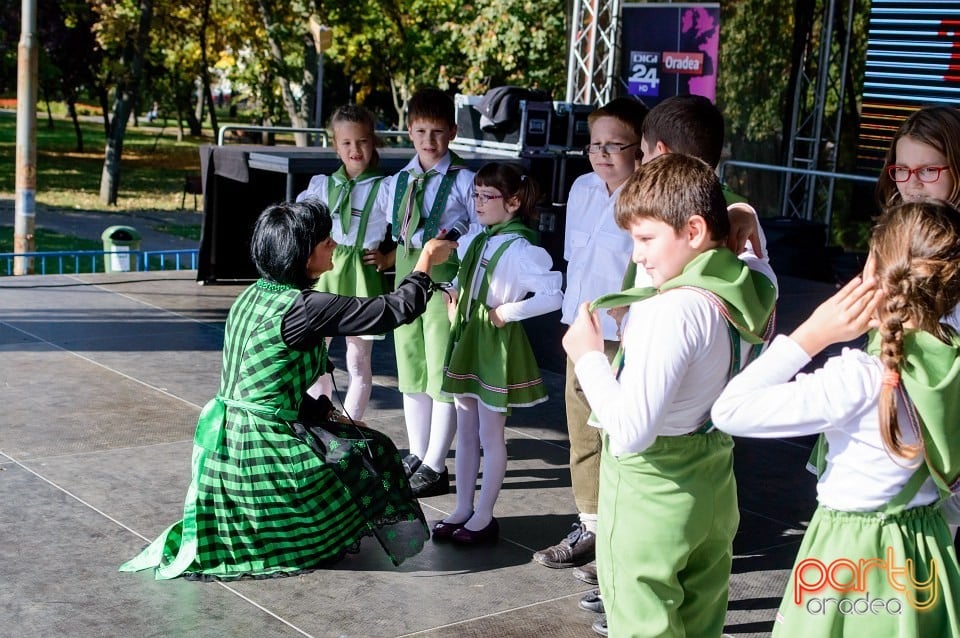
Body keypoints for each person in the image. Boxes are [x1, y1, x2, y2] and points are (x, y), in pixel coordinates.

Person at [119, 200, 455, 580]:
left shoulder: (253, 294)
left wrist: (315, 409)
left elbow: (259, 382)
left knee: (349, 439)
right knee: (370, 451)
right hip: (259, 445)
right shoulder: (305, 307)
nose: (334, 246)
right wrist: (426, 258)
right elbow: (392, 310)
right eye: (326, 241)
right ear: (303, 255)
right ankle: (315, 535)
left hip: (222, 441)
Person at [711, 200, 960, 637]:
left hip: (851, 554)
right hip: (925, 549)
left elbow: (730, 411)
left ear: (875, 275)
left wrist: (811, 334)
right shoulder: (951, 360)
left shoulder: (860, 376)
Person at [562, 153, 777, 637]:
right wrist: (744, 214)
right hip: (715, 482)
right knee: (702, 621)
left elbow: (633, 432)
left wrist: (588, 356)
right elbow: (753, 252)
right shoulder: (754, 281)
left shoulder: (672, 312)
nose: (636, 256)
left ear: (695, 230)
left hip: (652, 491)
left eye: (644, 239)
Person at [533, 97, 649, 573]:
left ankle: (626, 534)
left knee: (623, 434)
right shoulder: (581, 188)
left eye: (613, 145)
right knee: (582, 431)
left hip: (626, 334)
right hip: (582, 329)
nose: (602, 154)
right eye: (594, 145)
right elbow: (575, 257)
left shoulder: (648, 195)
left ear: (639, 148)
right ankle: (591, 526)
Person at [431, 163, 563, 544]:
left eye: (487, 196)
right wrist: (450, 292)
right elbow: (463, 278)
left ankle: (485, 514)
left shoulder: (523, 248)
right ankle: (462, 506)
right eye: (475, 195)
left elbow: (553, 295)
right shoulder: (477, 239)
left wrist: (507, 312)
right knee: (466, 429)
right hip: (468, 335)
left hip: (493, 341)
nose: (478, 203)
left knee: (491, 434)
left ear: (513, 202)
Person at [375, 88, 477, 498]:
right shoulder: (398, 181)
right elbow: (387, 227)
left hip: (443, 285)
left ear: (452, 131)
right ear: (409, 131)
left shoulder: (465, 180)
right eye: (420, 131)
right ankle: (417, 454)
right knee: (411, 370)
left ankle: (436, 463)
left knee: (440, 373)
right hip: (405, 283)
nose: (429, 141)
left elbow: (480, 226)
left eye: (437, 132)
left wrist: (455, 240)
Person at [296, 104, 390, 420]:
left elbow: (409, 229)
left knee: (358, 358)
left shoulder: (386, 187)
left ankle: (350, 426)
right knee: (317, 353)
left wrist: (388, 257)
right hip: (328, 273)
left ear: (373, 142)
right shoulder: (322, 186)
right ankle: (319, 419)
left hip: (362, 275)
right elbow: (303, 223)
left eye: (362, 141)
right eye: (346, 143)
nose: (355, 149)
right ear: (336, 146)